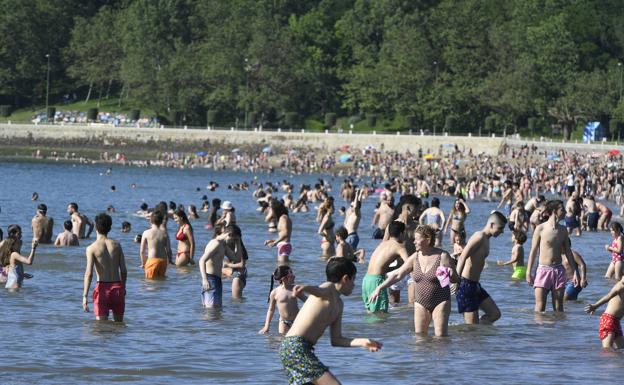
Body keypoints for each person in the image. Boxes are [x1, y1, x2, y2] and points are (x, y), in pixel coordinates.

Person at [279, 258, 382, 385]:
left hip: (297, 349)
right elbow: (318, 290)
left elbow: (336, 340)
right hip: (295, 347)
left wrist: (363, 342)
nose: (354, 285)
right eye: (353, 279)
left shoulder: (339, 304)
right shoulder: (329, 288)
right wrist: (305, 288)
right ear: (345, 279)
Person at [369, 225, 457, 336]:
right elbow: (397, 274)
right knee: (420, 339)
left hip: (441, 301)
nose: (413, 242)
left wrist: (451, 273)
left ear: (427, 239)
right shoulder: (415, 257)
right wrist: (379, 288)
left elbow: (455, 279)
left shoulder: (443, 255)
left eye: (416, 239)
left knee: (440, 338)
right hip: (420, 303)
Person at [526, 200, 580, 312]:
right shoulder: (540, 228)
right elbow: (533, 251)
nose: (565, 211)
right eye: (562, 209)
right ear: (555, 211)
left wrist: (575, 271)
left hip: (559, 270)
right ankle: (539, 329)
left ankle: (558, 329)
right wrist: (528, 272)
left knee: (559, 307)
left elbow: (568, 252)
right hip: (543, 270)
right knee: (540, 308)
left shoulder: (563, 230)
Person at [455, 211, 507, 324]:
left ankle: (479, 335)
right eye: (500, 228)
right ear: (492, 224)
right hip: (465, 285)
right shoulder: (479, 236)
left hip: (475, 285)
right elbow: (463, 256)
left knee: (495, 314)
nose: (502, 231)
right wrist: (456, 280)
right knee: (471, 329)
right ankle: (468, 337)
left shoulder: (487, 239)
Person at [82, 213, 127, 322]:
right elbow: (124, 271)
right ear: (110, 228)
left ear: (96, 227)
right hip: (117, 287)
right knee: (118, 325)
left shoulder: (91, 248)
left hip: (102, 289)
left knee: (100, 327)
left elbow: (89, 274)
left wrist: (85, 296)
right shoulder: (117, 245)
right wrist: (123, 287)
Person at [361, 221, 409, 312]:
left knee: (371, 314)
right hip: (376, 281)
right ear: (402, 233)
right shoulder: (400, 247)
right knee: (380, 315)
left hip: (366, 280)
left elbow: (381, 266)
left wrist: (395, 267)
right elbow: (409, 264)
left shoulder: (382, 244)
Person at [259, 266, 306, 335]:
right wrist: (266, 326)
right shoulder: (275, 293)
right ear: (283, 278)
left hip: (297, 321)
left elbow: (307, 300)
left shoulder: (295, 289)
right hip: (284, 322)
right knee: (283, 341)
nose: (294, 276)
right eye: (291, 273)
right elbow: (271, 310)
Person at [199, 225, 235, 308]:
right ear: (229, 234)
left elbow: (235, 258)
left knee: (216, 311)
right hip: (210, 279)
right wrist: (205, 279)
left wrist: (238, 242)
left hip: (217, 280)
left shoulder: (223, 245)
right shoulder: (215, 244)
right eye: (233, 239)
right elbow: (202, 260)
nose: (233, 241)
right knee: (211, 311)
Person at [585, 278, 624, 349]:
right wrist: (595, 306)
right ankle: (603, 360)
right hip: (608, 319)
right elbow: (608, 296)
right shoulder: (621, 286)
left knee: (621, 348)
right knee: (607, 349)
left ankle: (615, 360)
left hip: (616, 322)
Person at [140, 210, 173, 279]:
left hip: (152, 260)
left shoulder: (146, 233)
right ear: (161, 222)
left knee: (151, 284)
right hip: (163, 261)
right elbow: (169, 250)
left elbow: (142, 251)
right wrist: (170, 260)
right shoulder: (164, 233)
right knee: (161, 281)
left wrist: (143, 263)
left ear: (150, 221)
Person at [223, 224, 248, 299]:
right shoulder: (228, 245)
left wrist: (227, 264)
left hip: (238, 275)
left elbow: (241, 264)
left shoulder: (240, 248)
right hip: (236, 273)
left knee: (236, 301)